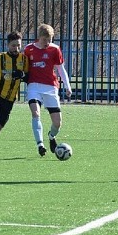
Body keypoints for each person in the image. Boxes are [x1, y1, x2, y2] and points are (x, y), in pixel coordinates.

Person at [24, 24, 72, 156]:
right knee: (36, 113)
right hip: (34, 86)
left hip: (50, 87)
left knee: (57, 123)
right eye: (45, 39)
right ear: (39, 37)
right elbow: (23, 67)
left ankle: (51, 136)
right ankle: (40, 145)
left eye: (50, 39)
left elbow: (61, 69)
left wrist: (67, 86)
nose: (48, 42)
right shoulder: (28, 49)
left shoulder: (55, 49)